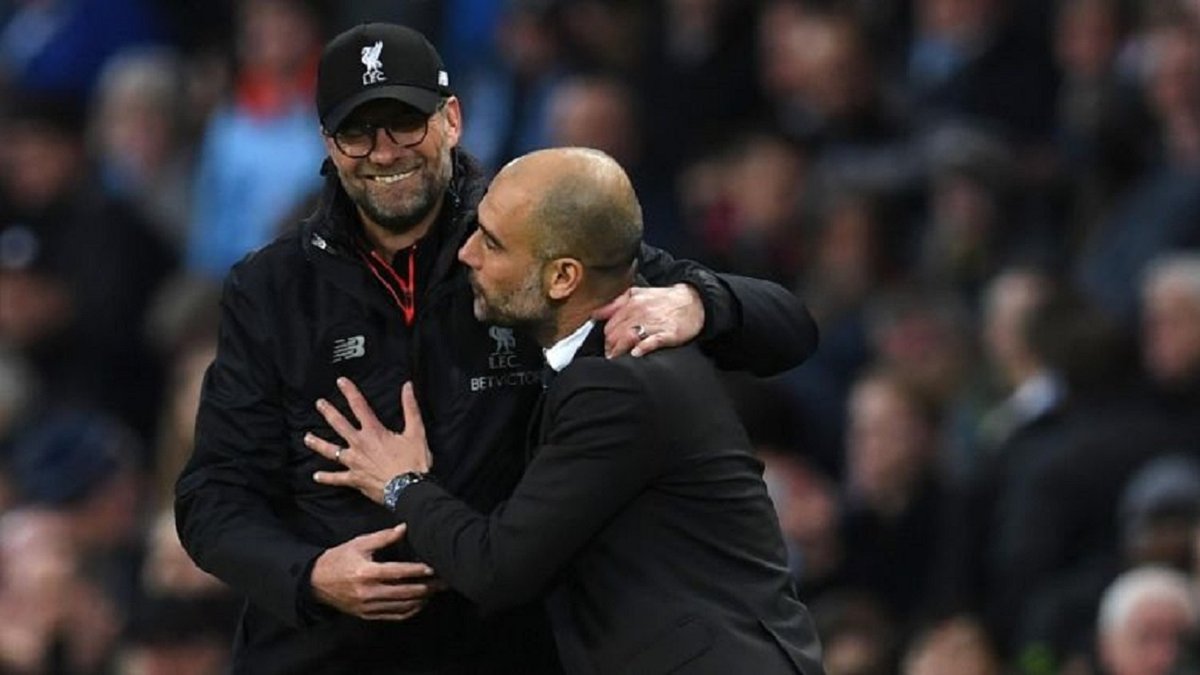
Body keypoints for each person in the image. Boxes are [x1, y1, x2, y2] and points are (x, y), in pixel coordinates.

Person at [174, 22, 819, 675]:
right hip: (321, 652)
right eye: (357, 132)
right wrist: (310, 575)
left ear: (452, 118)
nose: (384, 152)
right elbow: (213, 495)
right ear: (328, 143)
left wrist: (700, 300)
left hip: (500, 642)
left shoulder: (526, 235)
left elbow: (789, 331)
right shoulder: (271, 287)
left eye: (406, 123)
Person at [305, 146, 824, 674]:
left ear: (562, 278)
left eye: (492, 243)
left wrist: (401, 482)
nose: (467, 255)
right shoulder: (612, 328)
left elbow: (496, 569)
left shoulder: (616, 383)